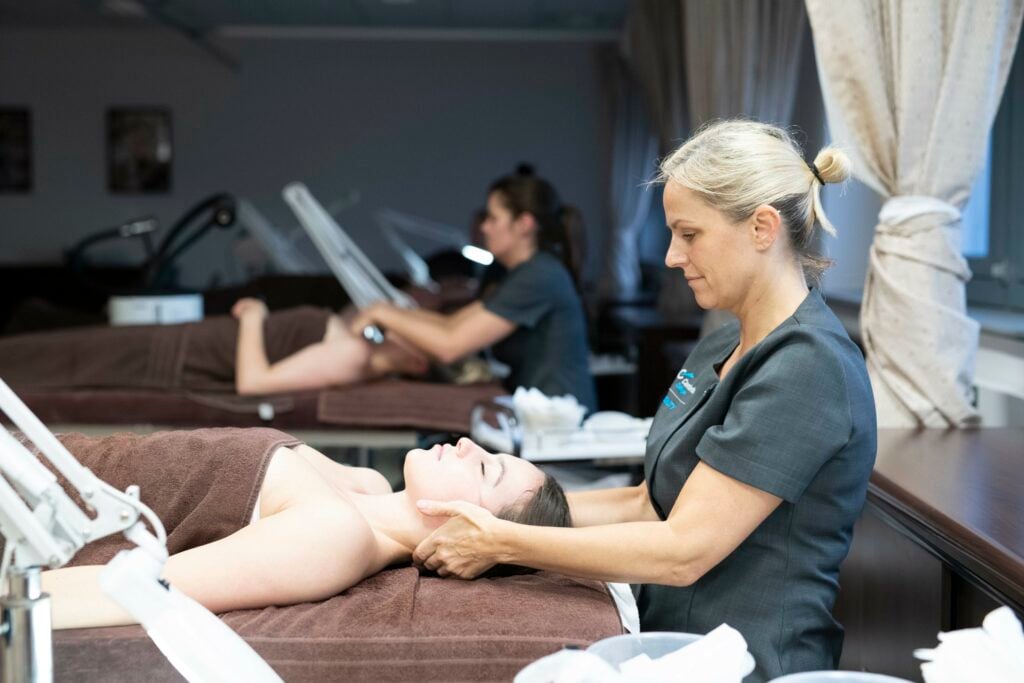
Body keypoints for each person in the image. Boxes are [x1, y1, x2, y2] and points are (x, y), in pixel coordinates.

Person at [409, 120, 878, 682]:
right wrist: (497, 508)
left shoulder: (808, 368)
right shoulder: (725, 342)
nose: (674, 257)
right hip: (674, 645)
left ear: (762, 227)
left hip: (749, 662)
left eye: (690, 234)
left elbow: (684, 549)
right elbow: (647, 502)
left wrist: (504, 542)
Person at [41, 433, 569, 630]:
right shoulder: (362, 483)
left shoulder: (332, 539)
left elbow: (136, 589)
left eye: (485, 471)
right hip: (50, 457)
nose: (467, 445)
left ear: (471, 529)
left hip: (31, 505)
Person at [350, 168, 598, 413]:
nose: (485, 228)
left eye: (493, 218)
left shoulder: (540, 276)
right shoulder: (522, 273)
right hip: (542, 418)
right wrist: (395, 313)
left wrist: (382, 312)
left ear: (524, 224)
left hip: (557, 425)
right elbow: (451, 324)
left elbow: (450, 345)